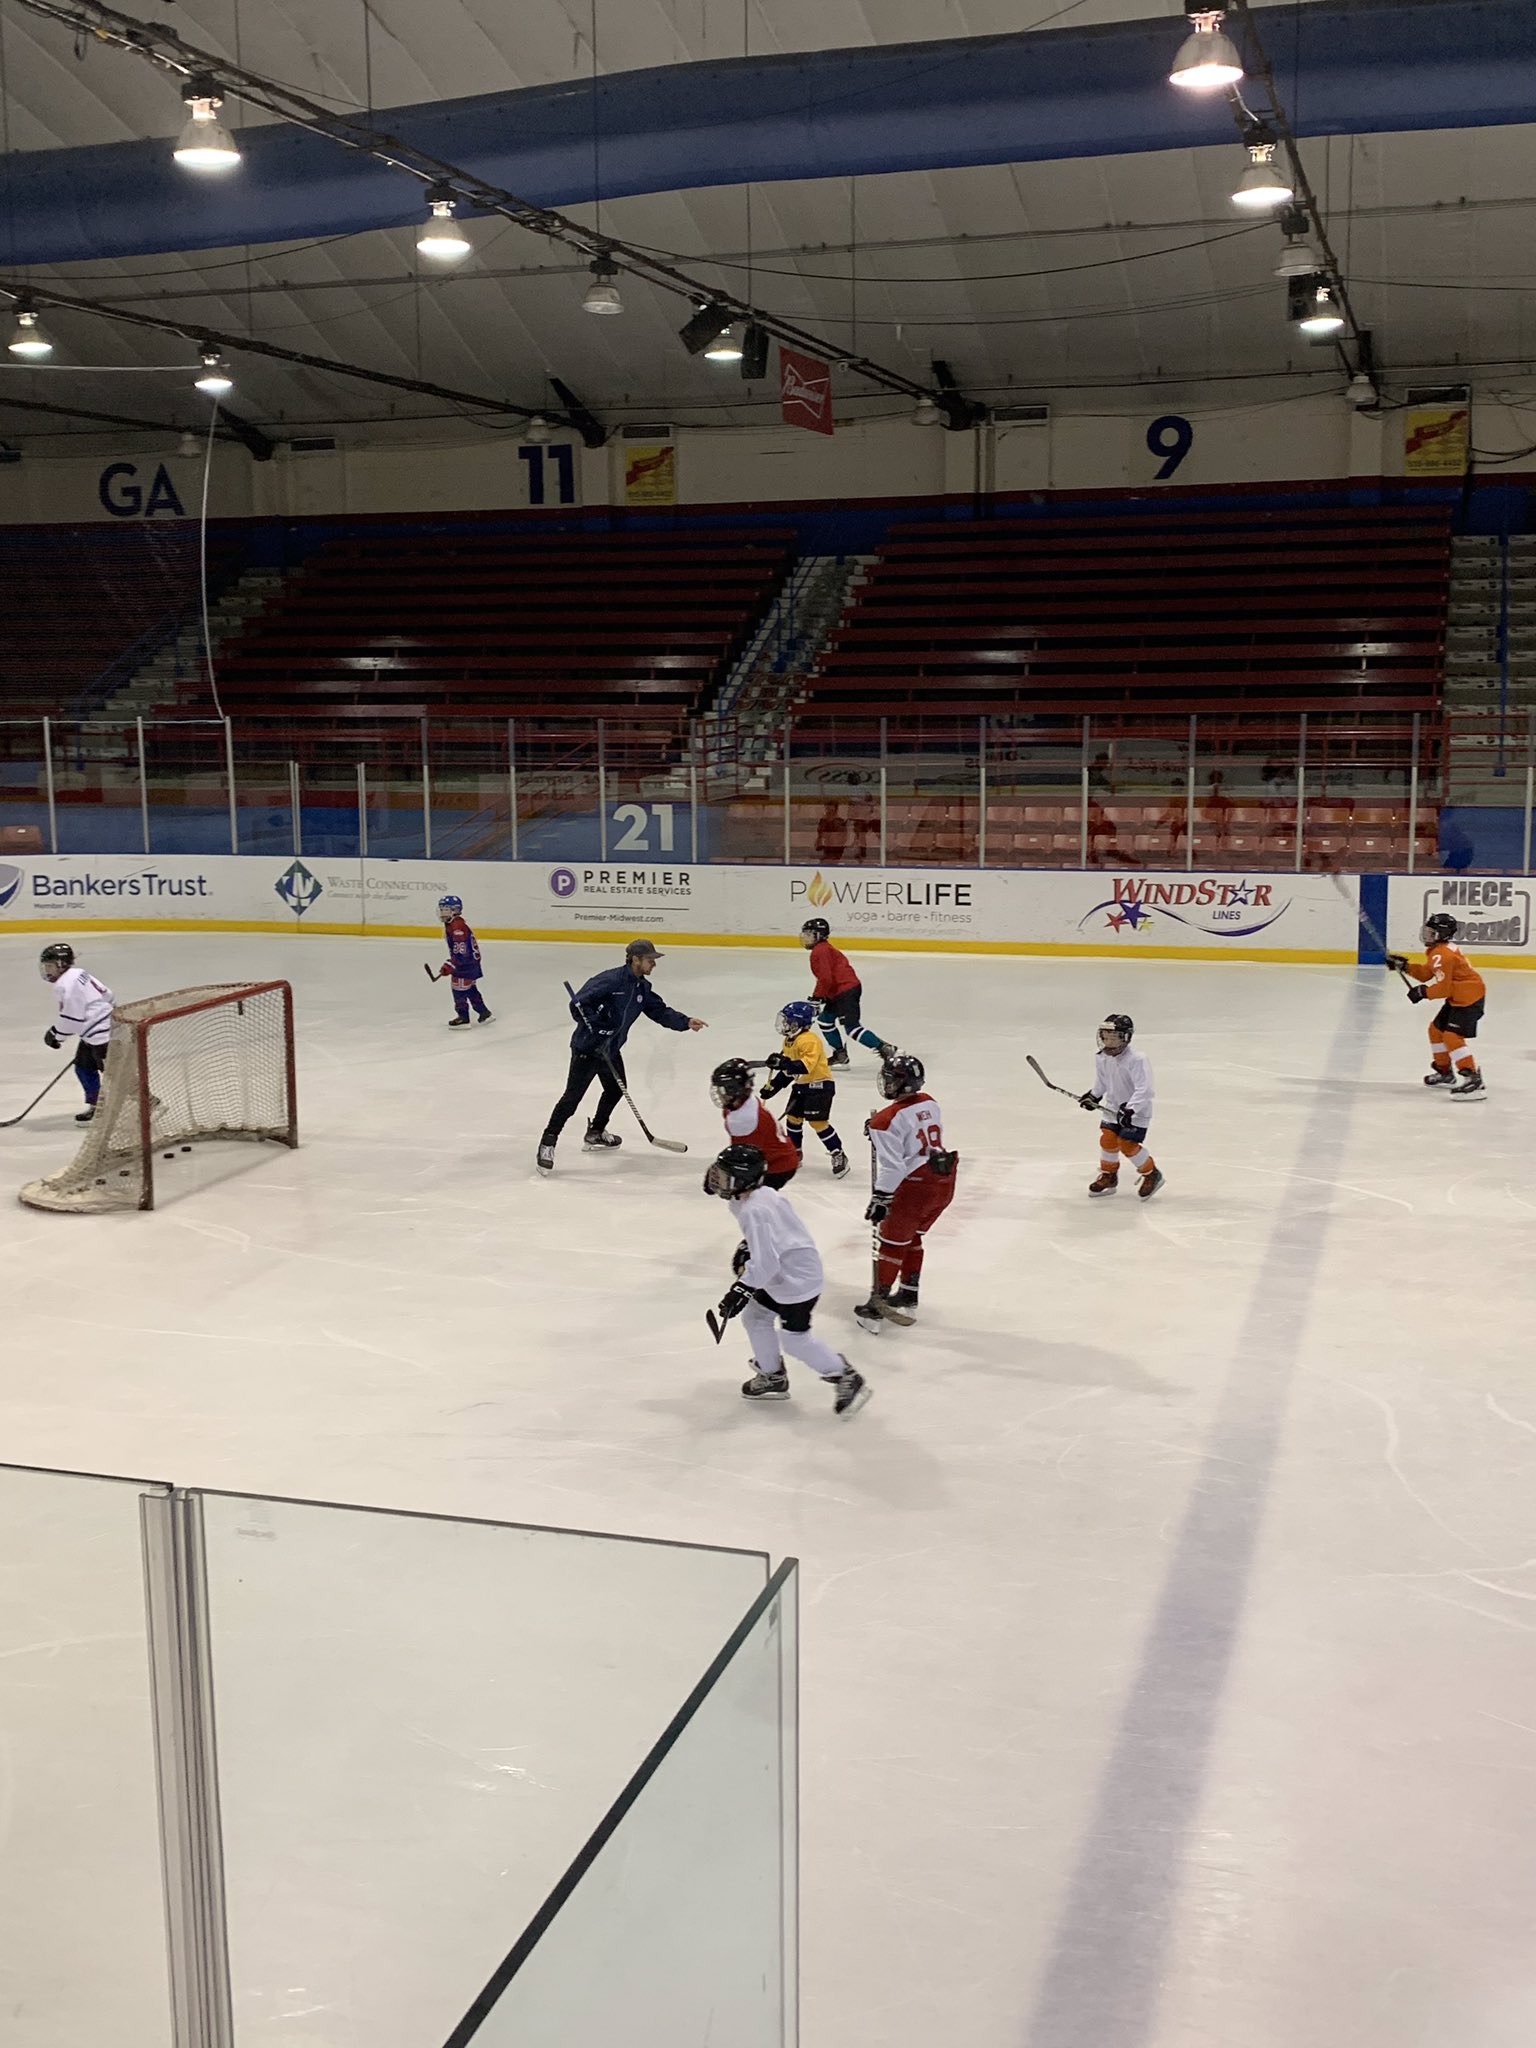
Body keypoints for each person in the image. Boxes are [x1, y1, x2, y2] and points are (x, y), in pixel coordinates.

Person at [705, 1142, 870, 1415]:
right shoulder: (760, 1195)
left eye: (723, 1177)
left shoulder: (754, 1209)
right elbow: (772, 1240)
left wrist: (741, 1289)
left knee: (795, 1340)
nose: (716, 1180)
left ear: (743, 1180)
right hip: (787, 1272)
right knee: (755, 1317)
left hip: (797, 1282)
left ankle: (845, 1376)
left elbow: (766, 1262)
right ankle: (773, 1376)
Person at [536, 939, 705, 1172]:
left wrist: (685, 1022)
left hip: (610, 1049)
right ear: (635, 959)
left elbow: (659, 1011)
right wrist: (595, 1025)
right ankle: (548, 1142)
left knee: (616, 1089)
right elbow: (579, 1004)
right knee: (572, 1099)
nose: (653, 964)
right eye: (650, 960)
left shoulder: (642, 988)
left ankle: (595, 1132)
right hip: (588, 1048)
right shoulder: (610, 980)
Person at [855, 1052, 959, 1331]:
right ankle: (908, 1296)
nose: (886, 1085)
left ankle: (876, 1307)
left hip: (915, 1187)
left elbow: (893, 1168)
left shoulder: (884, 1121)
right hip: (943, 1180)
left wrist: (881, 1198)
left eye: (890, 1080)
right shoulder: (929, 1102)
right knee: (912, 1238)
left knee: (891, 1243)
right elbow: (911, 1125)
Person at [1387, 913, 1487, 1098]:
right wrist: (1406, 967)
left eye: (1431, 932)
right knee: (1435, 1031)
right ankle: (1445, 1073)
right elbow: (1427, 974)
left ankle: (1472, 1077)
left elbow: (1443, 989)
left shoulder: (1443, 954)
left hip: (1469, 999)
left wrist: (1422, 992)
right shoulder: (1438, 951)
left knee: (1452, 1036)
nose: (1427, 935)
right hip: (1459, 997)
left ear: (1442, 934)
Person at [1078, 1013, 1164, 1199]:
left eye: (1113, 1038)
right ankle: (1109, 1176)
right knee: (1107, 1140)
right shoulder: (1102, 1057)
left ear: (1125, 1038)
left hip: (1136, 1112)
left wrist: (1131, 1108)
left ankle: (1152, 1174)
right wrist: (1094, 1095)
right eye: (1105, 1037)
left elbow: (1145, 1089)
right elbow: (1102, 1081)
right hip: (1112, 1109)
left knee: (1127, 1145)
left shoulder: (1137, 1059)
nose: (1108, 1042)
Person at [759, 1000, 849, 1177]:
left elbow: (805, 1066)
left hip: (820, 1086)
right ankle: (795, 1152)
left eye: (787, 1021)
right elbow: (788, 1070)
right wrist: (774, 1086)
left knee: (818, 1123)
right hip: (802, 1086)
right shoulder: (789, 1041)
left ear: (797, 1023)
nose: (784, 1024)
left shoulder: (810, 1041)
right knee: (793, 1119)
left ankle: (838, 1153)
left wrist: (784, 1063)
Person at [799, 917, 895, 1069]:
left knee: (852, 1028)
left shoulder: (821, 951)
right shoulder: (822, 949)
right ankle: (840, 1056)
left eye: (810, 934)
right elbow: (827, 979)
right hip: (839, 991)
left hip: (845, 991)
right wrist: (821, 997)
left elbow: (826, 978)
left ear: (819, 935)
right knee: (825, 1020)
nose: (805, 937)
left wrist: (817, 998)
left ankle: (886, 1049)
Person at [39, 941, 114, 1124]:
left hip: (103, 1036)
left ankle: (149, 1103)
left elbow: (72, 1018)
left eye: (49, 966)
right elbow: (108, 995)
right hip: (96, 1032)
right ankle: (98, 1106)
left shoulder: (66, 984)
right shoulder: (79, 973)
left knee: (116, 1076)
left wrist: (56, 1035)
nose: (47, 970)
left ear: (60, 965)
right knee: (84, 1067)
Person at [710, 1058, 801, 1188]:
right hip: (779, 1155)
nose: (719, 1093)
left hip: (778, 1166)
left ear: (733, 1089)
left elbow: (746, 1160)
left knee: (752, 1201)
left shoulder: (744, 1119)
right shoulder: (740, 1103)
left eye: (722, 1089)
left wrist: (724, 1169)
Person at [435, 894, 492, 1027]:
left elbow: (462, 952)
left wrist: (450, 965)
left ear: (455, 910)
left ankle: (463, 1018)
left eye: (446, 910)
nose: (442, 912)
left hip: (465, 965)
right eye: (441, 909)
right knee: (470, 988)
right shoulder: (453, 923)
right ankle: (484, 1012)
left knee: (458, 990)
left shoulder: (457, 927)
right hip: (471, 963)